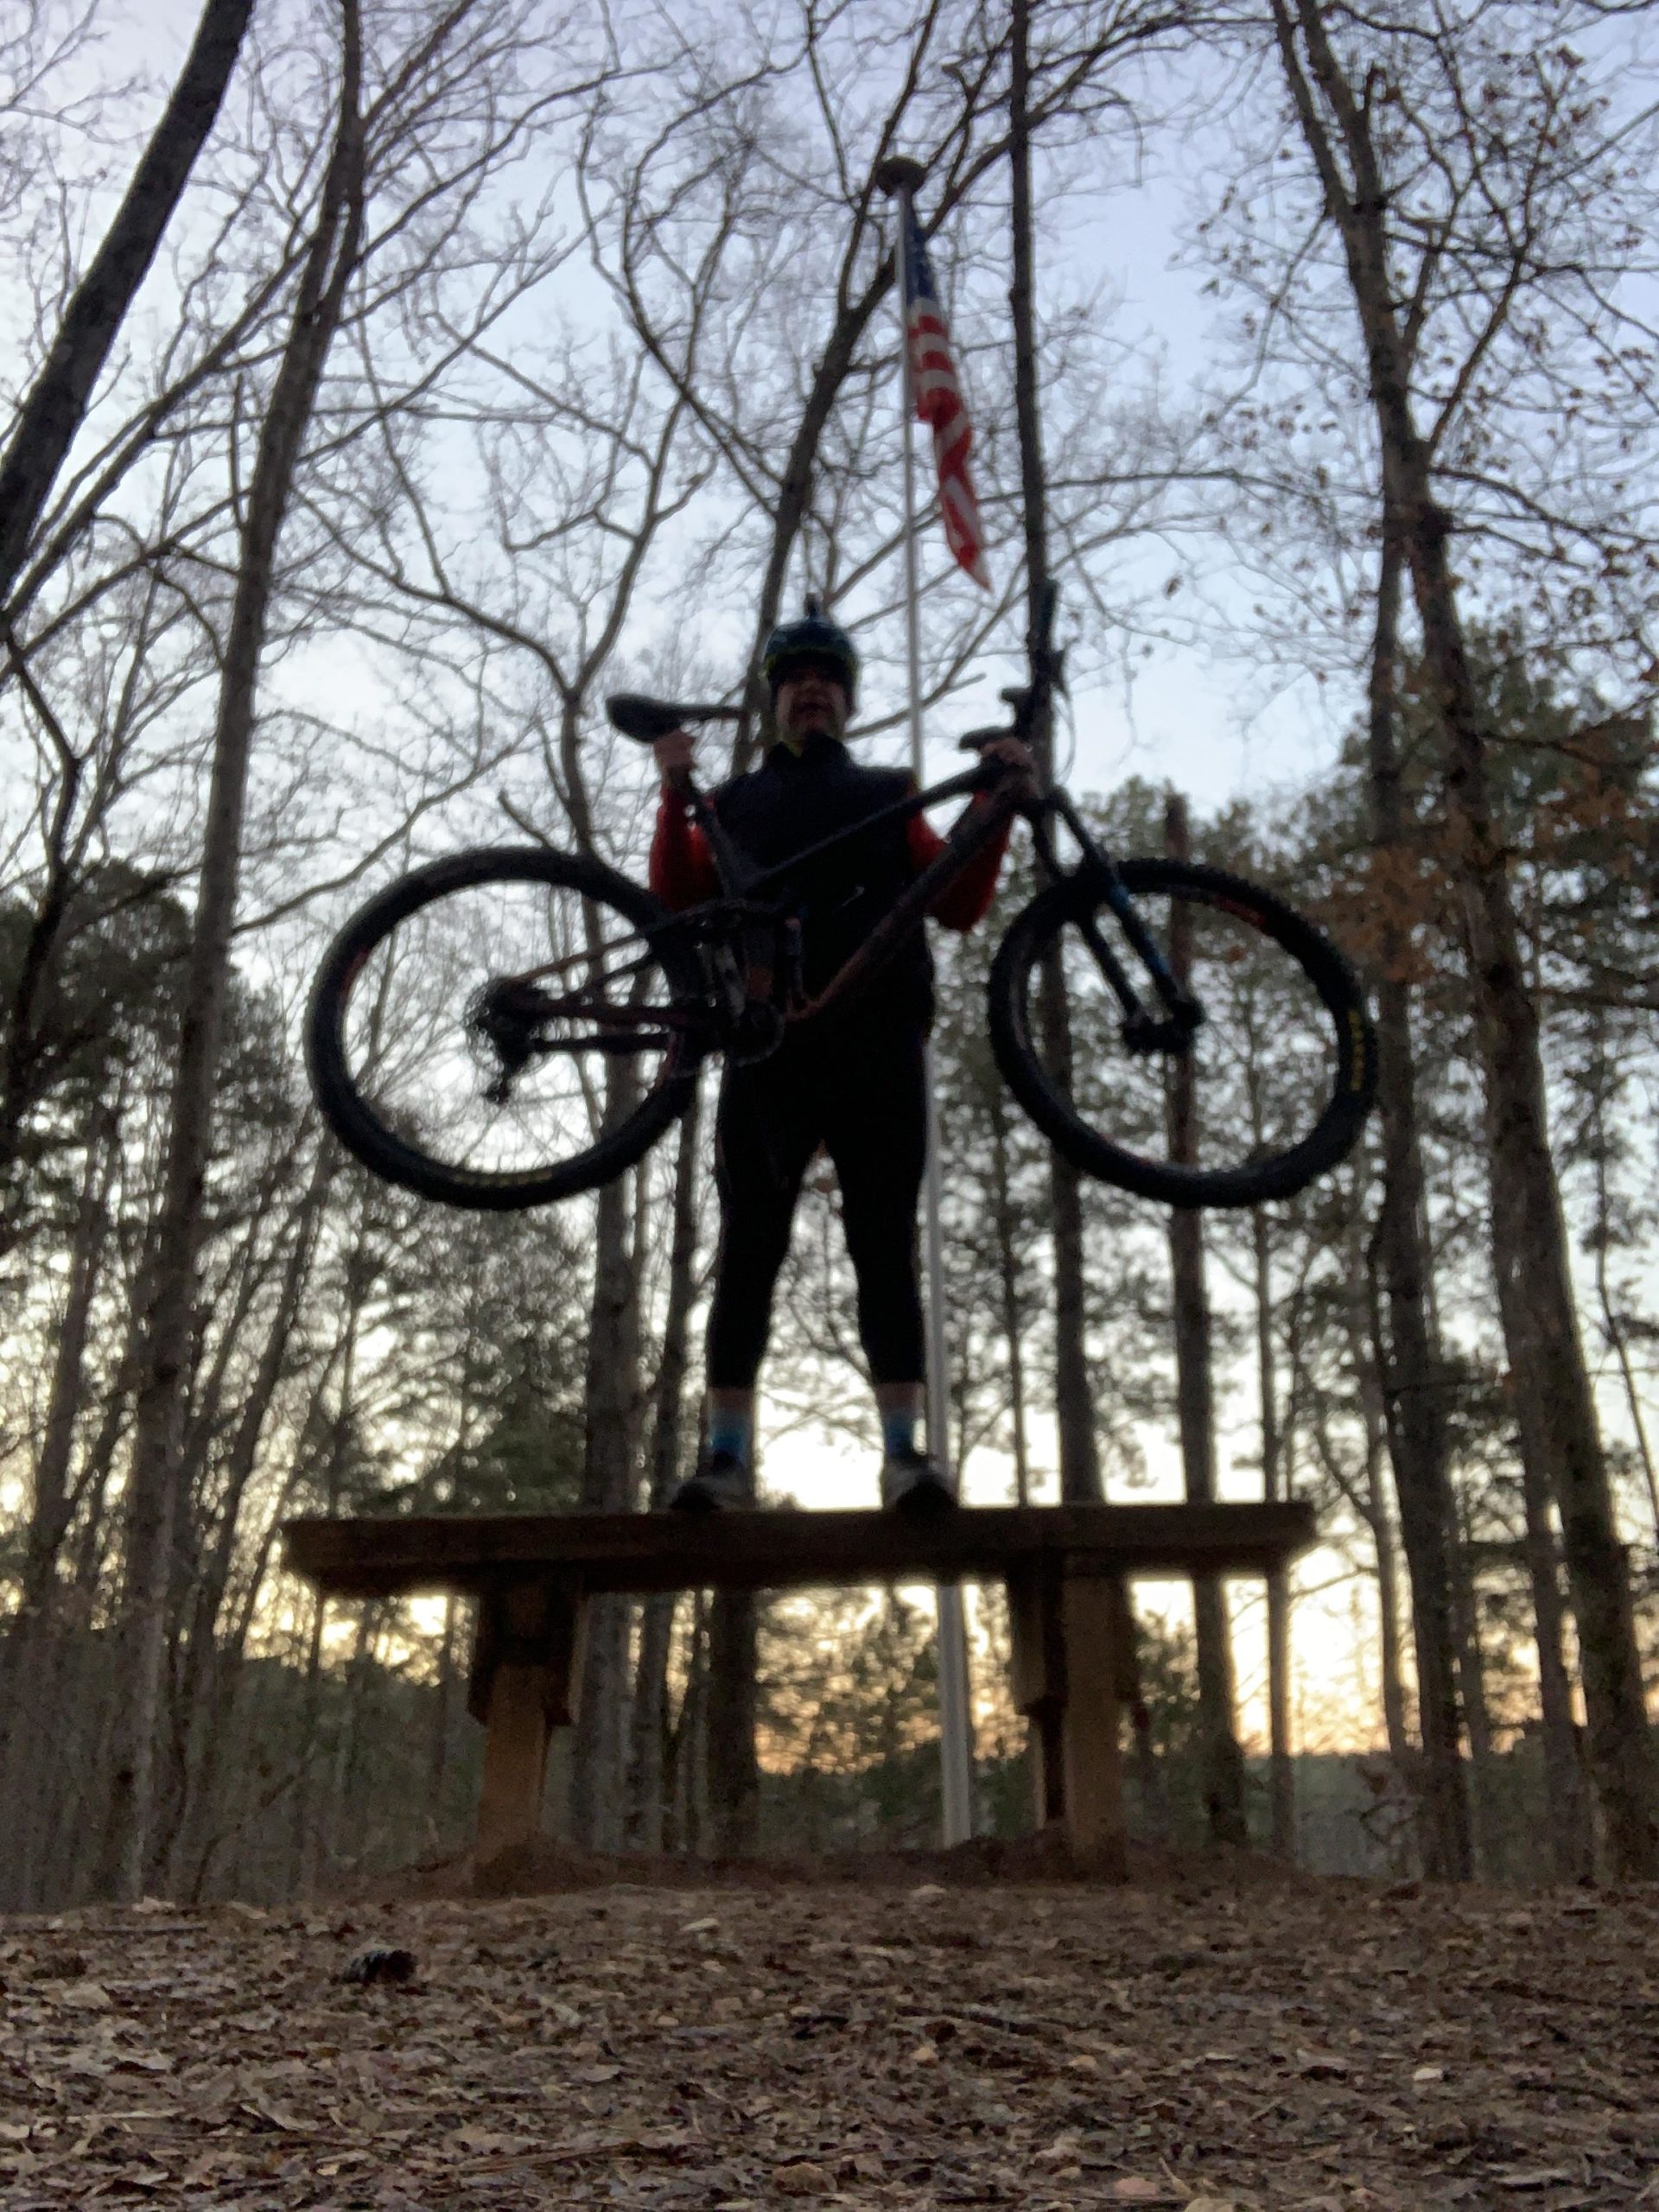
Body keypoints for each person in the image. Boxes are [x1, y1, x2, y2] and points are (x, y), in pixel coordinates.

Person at [648, 601, 1032, 1512]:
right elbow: (673, 895)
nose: (810, 691)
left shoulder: (890, 789)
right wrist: (674, 794)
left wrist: (994, 801)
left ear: (847, 702)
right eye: (794, 680)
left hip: (878, 1040)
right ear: (775, 701)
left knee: (884, 1249)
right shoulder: (733, 801)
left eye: (827, 680)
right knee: (749, 1250)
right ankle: (725, 1463)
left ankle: (906, 1459)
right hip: (766, 1048)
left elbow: (962, 900)